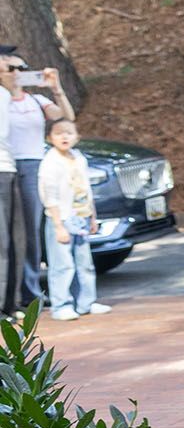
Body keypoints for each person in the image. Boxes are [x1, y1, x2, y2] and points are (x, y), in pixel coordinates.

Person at [0, 52, 70, 316]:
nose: (18, 72)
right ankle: (15, 294)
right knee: (9, 236)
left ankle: (30, 291)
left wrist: (56, 88)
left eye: (22, 67)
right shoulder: (3, 98)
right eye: (11, 67)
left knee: (30, 231)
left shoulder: (35, 99)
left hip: (31, 164)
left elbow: (66, 118)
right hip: (8, 165)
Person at [38, 116, 108, 321]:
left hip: (82, 218)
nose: (64, 136)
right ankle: (61, 305)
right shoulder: (50, 162)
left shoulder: (79, 158)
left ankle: (86, 302)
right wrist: (58, 225)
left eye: (69, 132)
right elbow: (49, 195)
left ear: (77, 137)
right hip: (62, 219)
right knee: (62, 264)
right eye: (58, 133)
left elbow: (86, 190)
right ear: (50, 138)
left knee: (84, 262)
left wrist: (93, 217)